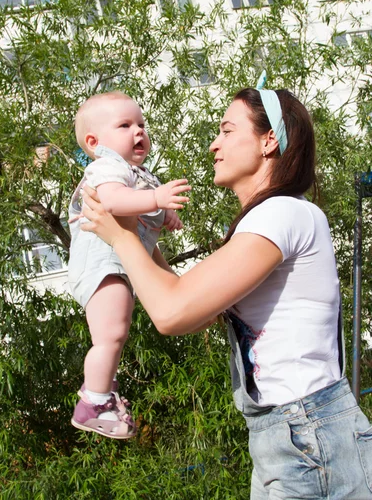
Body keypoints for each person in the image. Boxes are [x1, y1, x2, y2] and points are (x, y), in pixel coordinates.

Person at [80, 76, 372, 498]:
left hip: (309, 434)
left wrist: (122, 238)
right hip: (288, 434)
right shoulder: (275, 218)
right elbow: (184, 307)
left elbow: (171, 312)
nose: (214, 145)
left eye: (227, 131)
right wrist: (141, 236)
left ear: (269, 141)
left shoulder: (282, 214)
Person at [68, 91, 190, 439]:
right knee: (111, 334)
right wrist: (156, 199)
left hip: (117, 262)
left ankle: (103, 388)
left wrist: (164, 214)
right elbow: (113, 200)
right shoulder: (106, 167)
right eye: (125, 125)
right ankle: (93, 402)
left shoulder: (138, 173)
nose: (138, 131)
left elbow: (138, 206)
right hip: (100, 262)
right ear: (95, 142)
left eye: (141, 124)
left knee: (115, 334)